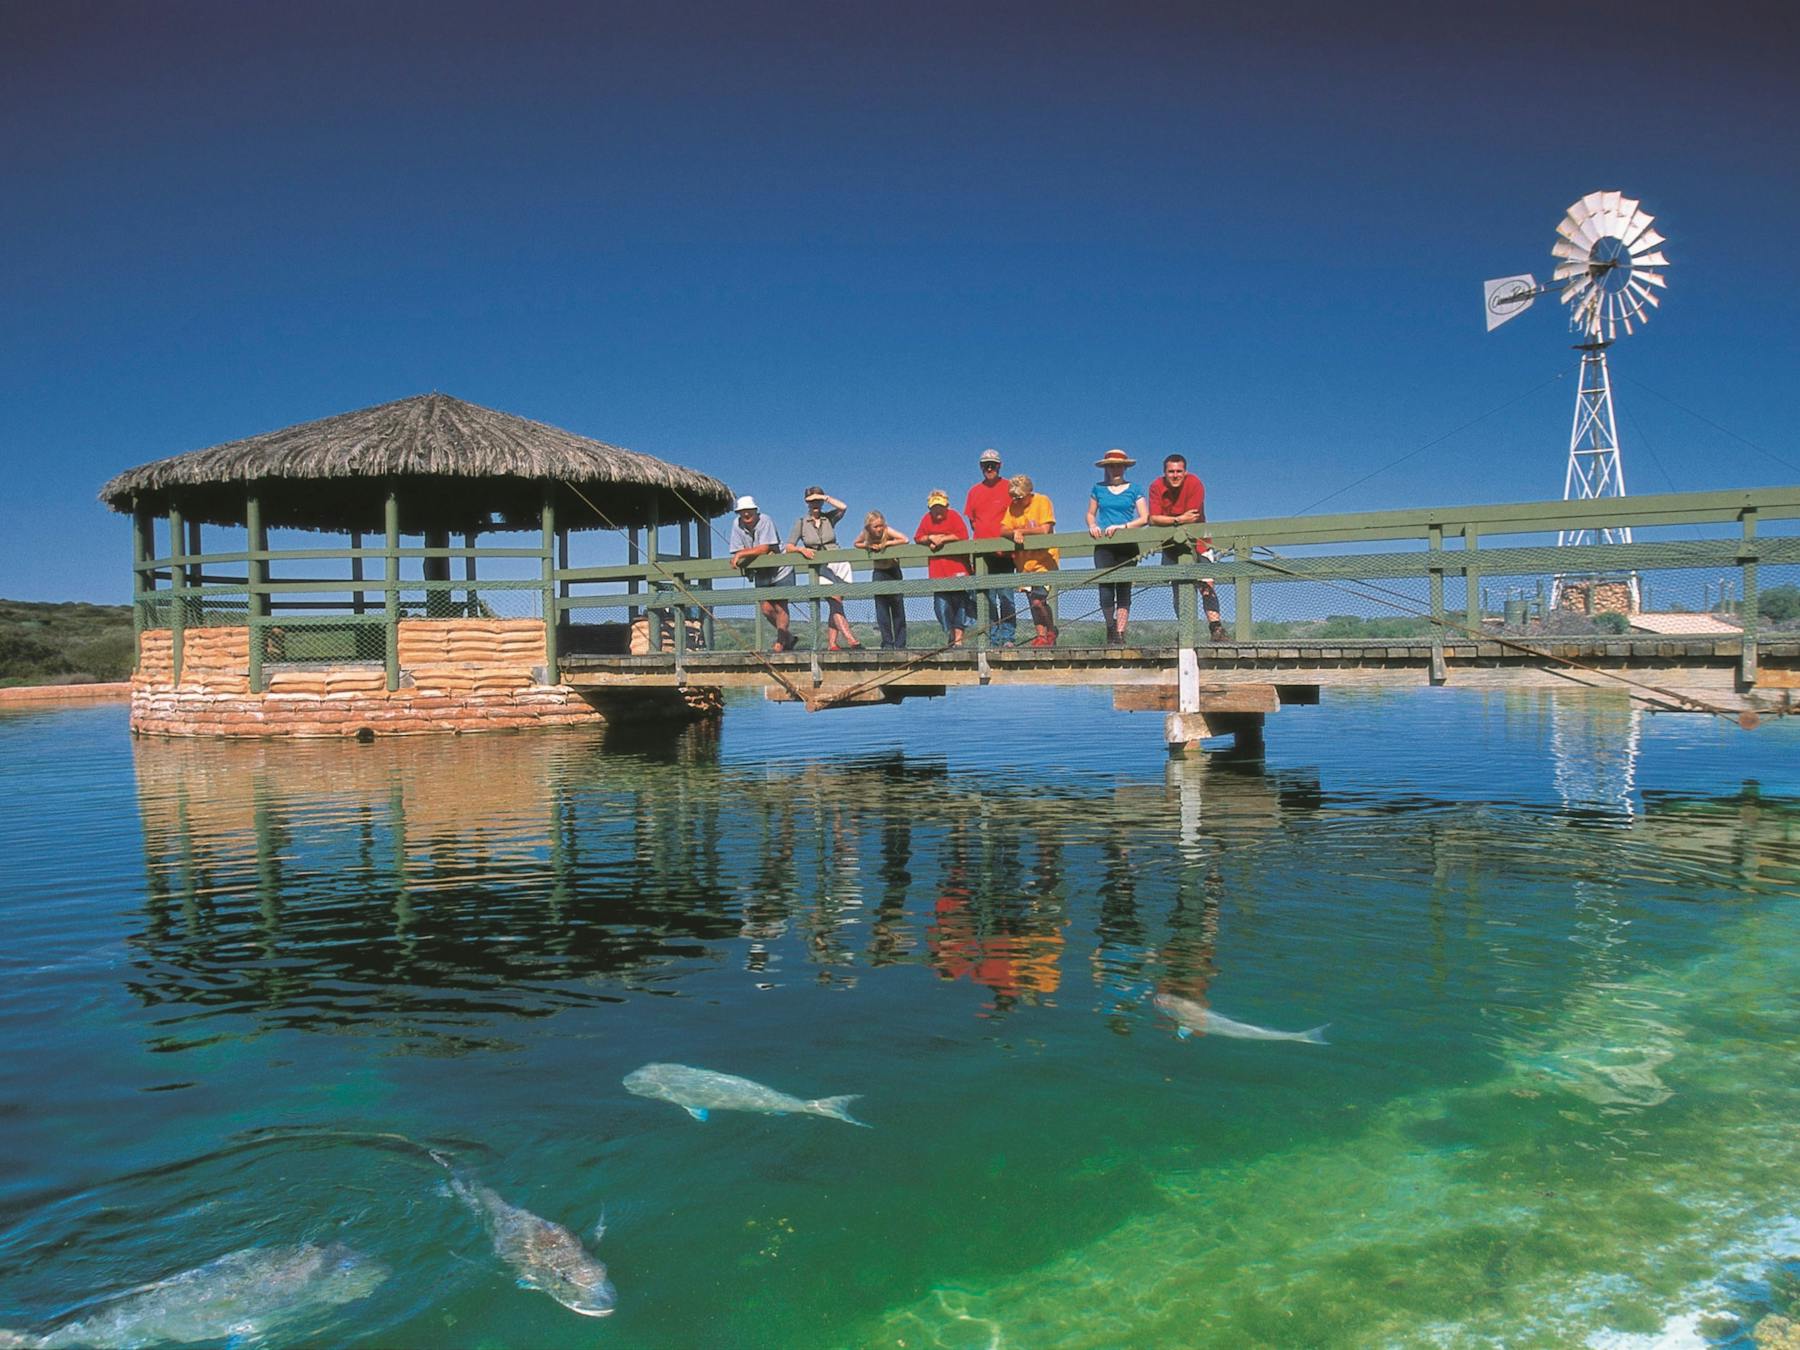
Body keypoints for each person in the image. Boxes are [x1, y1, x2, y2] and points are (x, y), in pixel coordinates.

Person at [1146, 453, 1226, 641]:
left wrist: (1168, 520)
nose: (1175, 475)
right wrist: (1178, 519)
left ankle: (1216, 628)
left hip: (1199, 542)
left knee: (1207, 585)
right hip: (1171, 545)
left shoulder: (1194, 483)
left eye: (1179, 471)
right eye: (1171, 471)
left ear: (1185, 471)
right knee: (1178, 588)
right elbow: (1153, 518)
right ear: (1164, 473)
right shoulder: (1156, 486)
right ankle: (1185, 629)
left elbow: (1193, 517)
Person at [1086, 448, 1150, 643]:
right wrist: (1093, 525)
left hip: (1127, 543)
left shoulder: (1135, 489)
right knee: (1105, 587)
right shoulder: (1098, 488)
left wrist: (1123, 526)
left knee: (1124, 587)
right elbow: (1090, 513)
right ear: (1106, 468)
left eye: (1119, 465)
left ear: (1125, 467)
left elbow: (1145, 517)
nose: (1115, 469)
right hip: (1105, 544)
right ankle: (1110, 626)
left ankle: (1121, 632)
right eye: (1112, 466)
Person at [789, 486, 862, 651]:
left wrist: (826, 497)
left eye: (818, 500)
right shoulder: (801, 523)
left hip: (838, 561)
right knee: (834, 600)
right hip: (820, 565)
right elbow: (789, 546)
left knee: (836, 603)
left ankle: (832, 643)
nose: (815, 503)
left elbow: (843, 507)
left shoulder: (828, 518)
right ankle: (850, 638)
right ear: (806, 502)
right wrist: (802, 549)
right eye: (812, 500)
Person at [997, 474, 1059, 646]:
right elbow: (1003, 529)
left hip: (1044, 561)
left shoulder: (1042, 501)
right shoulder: (1013, 507)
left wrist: (1021, 532)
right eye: (1013, 497)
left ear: (1029, 493)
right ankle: (1040, 635)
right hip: (1024, 563)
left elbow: (1045, 529)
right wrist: (1013, 533)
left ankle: (1051, 630)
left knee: (1039, 601)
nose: (1016, 500)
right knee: (1032, 601)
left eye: (1019, 497)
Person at [963, 448, 1017, 646]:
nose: (989, 468)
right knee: (986, 598)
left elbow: (1019, 513)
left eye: (993, 464)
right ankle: (992, 639)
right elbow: (973, 522)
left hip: (1004, 551)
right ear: (980, 467)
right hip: (982, 553)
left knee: (1006, 596)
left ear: (1000, 465)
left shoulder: (1009, 487)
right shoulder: (974, 491)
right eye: (986, 464)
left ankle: (1008, 637)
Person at [727, 494, 794, 651]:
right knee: (766, 608)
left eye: (749, 510)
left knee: (780, 605)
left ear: (756, 510)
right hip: (761, 570)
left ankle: (781, 642)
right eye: (742, 511)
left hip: (781, 568)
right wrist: (743, 554)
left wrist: (742, 554)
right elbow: (737, 549)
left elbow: (765, 548)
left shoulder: (765, 520)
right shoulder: (736, 525)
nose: (746, 514)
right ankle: (788, 637)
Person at [914, 489, 975, 645]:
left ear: (946, 505)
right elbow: (918, 538)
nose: (938, 510)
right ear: (930, 508)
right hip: (938, 571)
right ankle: (950, 633)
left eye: (940, 507)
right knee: (941, 606)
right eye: (934, 507)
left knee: (961, 603)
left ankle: (958, 639)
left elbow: (962, 535)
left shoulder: (954, 516)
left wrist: (943, 539)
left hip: (958, 568)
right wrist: (930, 538)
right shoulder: (926, 519)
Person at [854, 509, 909, 649]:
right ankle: (887, 643)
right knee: (882, 610)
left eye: (881, 526)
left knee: (897, 608)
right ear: (869, 527)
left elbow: (905, 539)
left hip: (893, 570)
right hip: (879, 572)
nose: (879, 529)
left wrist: (887, 544)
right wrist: (868, 545)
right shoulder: (866, 533)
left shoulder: (887, 531)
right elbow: (856, 543)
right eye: (875, 527)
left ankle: (900, 643)